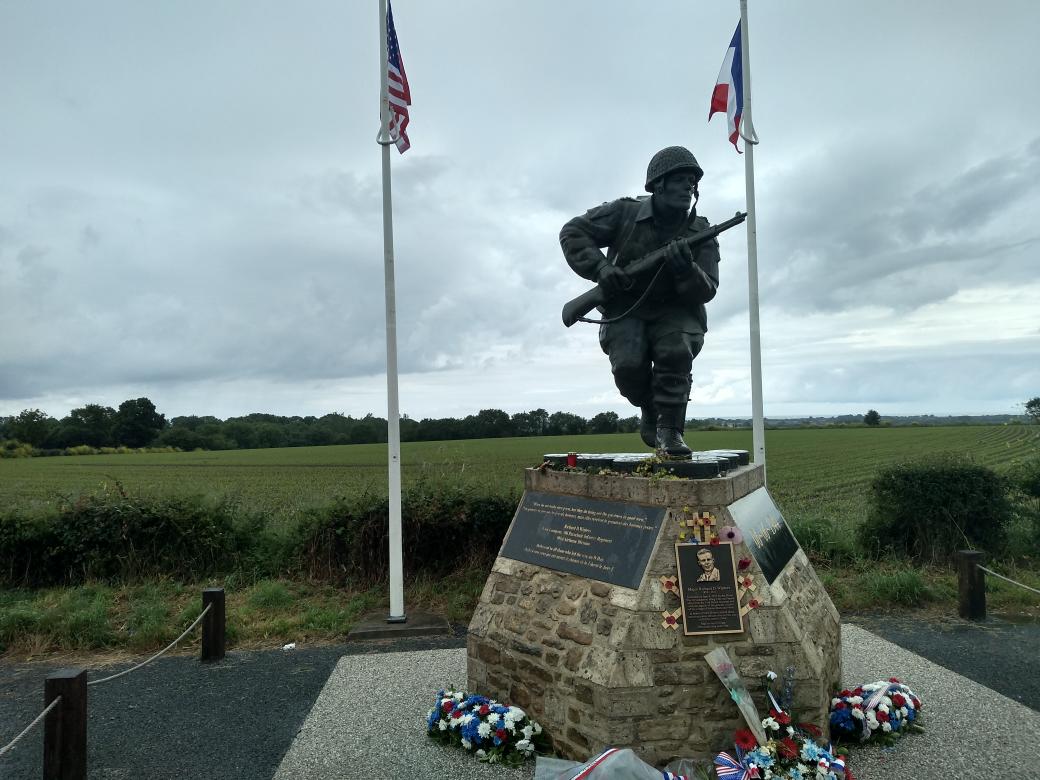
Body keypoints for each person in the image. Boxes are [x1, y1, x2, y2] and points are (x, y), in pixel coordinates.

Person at [559, 146, 721, 457]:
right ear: (659, 184)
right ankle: (650, 406)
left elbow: (708, 289)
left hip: (678, 312)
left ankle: (670, 431)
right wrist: (602, 269)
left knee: (674, 350)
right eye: (680, 180)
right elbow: (573, 231)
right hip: (626, 307)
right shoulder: (625, 212)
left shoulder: (702, 232)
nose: (689, 187)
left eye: (692, 181)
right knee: (628, 368)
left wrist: (685, 268)